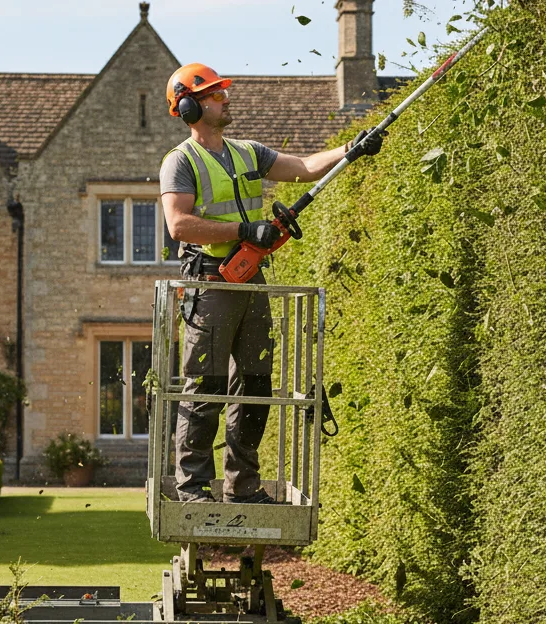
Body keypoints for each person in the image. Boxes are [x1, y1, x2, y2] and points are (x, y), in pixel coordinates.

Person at [160, 63, 384, 504]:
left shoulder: (247, 152)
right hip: (211, 285)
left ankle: (242, 487)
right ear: (189, 106)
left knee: (256, 385)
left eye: (224, 92)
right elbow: (179, 225)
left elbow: (302, 167)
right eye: (216, 94)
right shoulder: (180, 161)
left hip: (251, 279)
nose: (227, 99)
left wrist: (348, 149)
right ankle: (193, 489)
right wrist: (244, 231)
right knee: (204, 388)